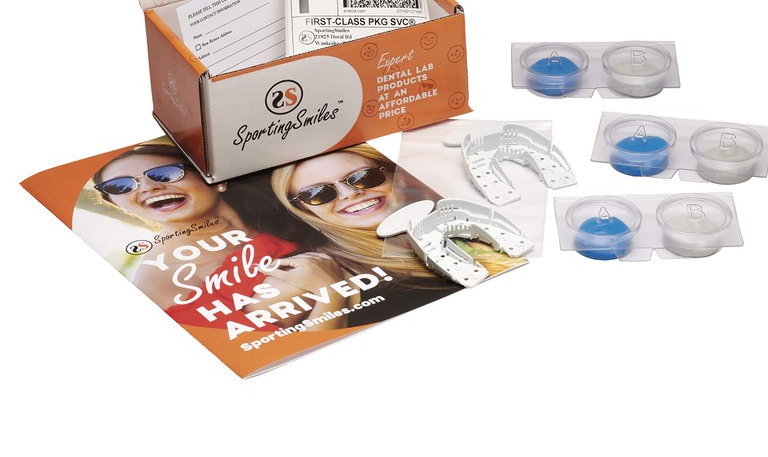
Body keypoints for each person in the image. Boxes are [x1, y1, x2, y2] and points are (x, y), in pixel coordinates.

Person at [91, 141, 348, 331]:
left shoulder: (292, 196)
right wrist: (331, 292)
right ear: (118, 204)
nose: (149, 187)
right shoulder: (159, 287)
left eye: (165, 173)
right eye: (120, 186)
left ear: (214, 179)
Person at [268, 144, 526, 322]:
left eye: (363, 177)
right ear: (304, 209)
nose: (350, 194)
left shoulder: (459, 209)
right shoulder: (302, 275)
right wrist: (330, 295)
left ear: (396, 175)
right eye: (317, 194)